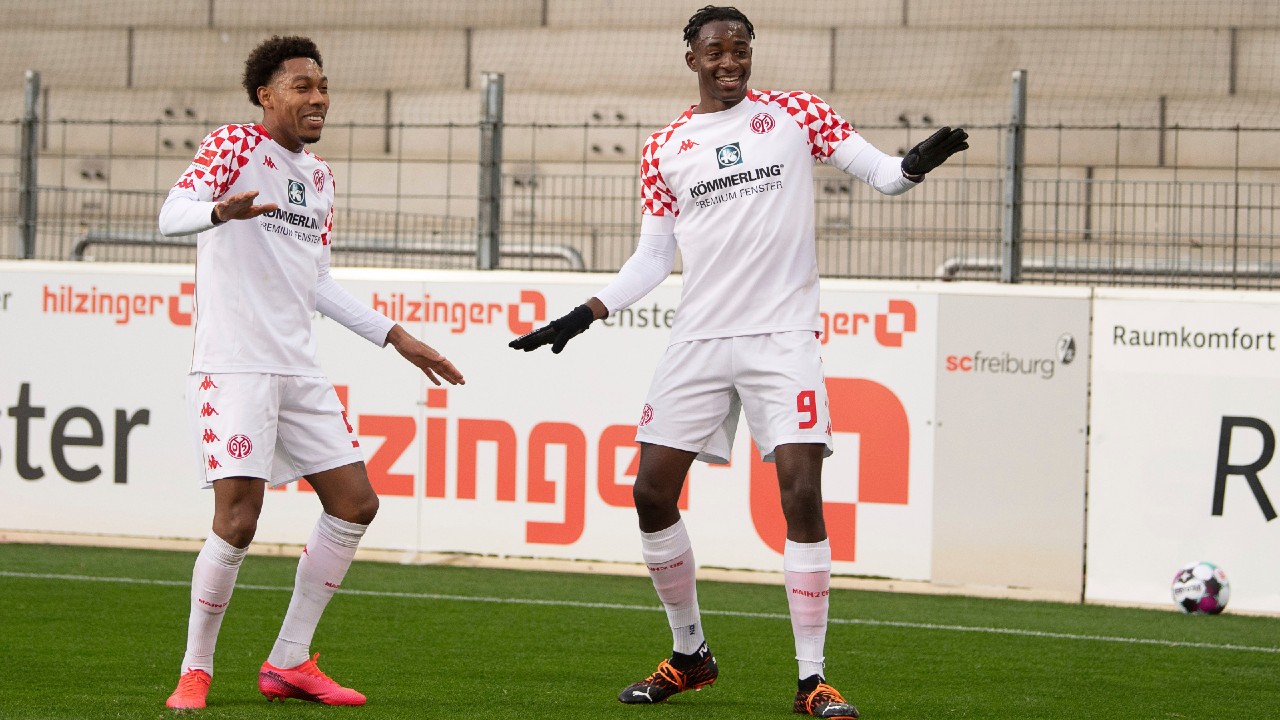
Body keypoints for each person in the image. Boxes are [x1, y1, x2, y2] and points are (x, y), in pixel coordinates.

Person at [509, 5, 965, 718]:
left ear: (752, 54)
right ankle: (689, 655)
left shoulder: (793, 113)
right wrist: (584, 313)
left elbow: (880, 174)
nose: (729, 62)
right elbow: (655, 257)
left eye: (740, 50)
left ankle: (812, 679)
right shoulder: (665, 146)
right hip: (699, 337)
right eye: (715, 51)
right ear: (691, 59)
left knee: (800, 490)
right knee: (651, 492)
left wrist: (913, 165)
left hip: (782, 337)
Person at [157, 35, 464, 710]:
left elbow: (318, 281)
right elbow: (169, 214)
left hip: (298, 367)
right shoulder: (234, 146)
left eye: (322, 86)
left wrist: (396, 336)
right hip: (234, 367)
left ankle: (289, 661)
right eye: (302, 87)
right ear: (266, 96)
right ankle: (196, 669)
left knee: (356, 504)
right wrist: (219, 210)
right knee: (237, 522)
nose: (318, 97)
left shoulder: (319, 178)